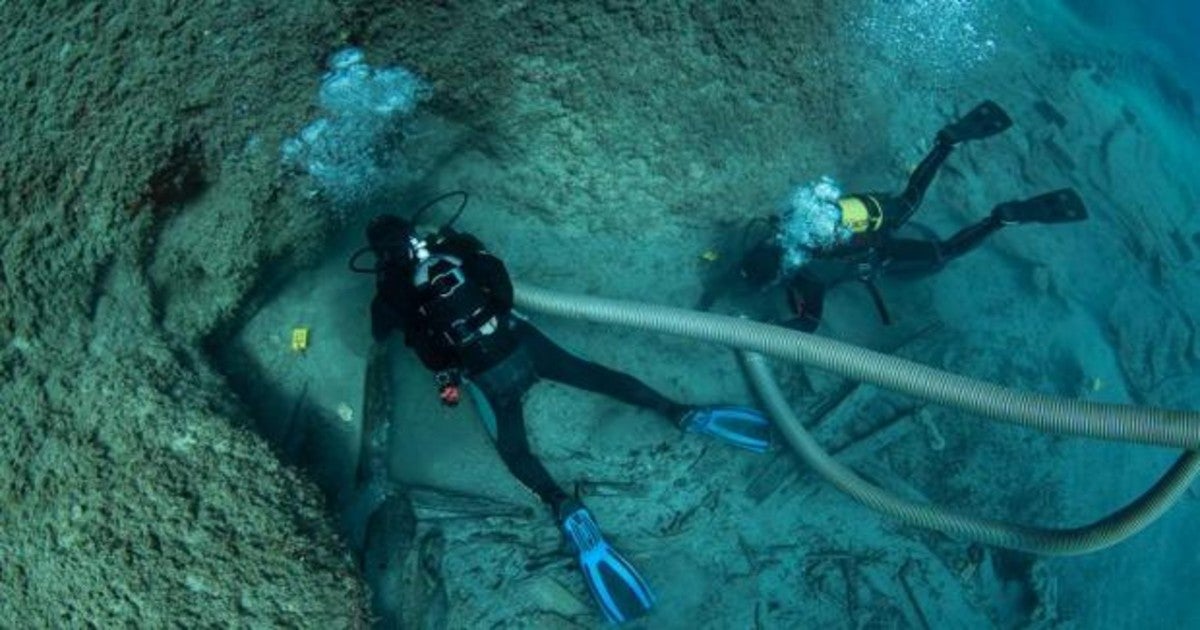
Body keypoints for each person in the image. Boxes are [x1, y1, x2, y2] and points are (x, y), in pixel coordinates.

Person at [351, 195, 773, 624]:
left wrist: (397, 299)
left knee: (515, 453)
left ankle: (562, 505)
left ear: (379, 256)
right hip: (524, 344)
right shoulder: (451, 247)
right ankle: (677, 411)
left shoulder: (392, 290)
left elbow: (384, 333)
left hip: (486, 376)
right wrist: (485, 291)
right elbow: (497, 274)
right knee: (595, 376)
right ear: (412, 232)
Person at [701, 100, 1089, 332]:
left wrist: (758, 330)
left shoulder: (809, 283)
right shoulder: (784, 230)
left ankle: (1001, 219)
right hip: (865, 219)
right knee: (909, 199)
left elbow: (807, 323)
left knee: (944, 253)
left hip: (877, 251)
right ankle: (946, 143)